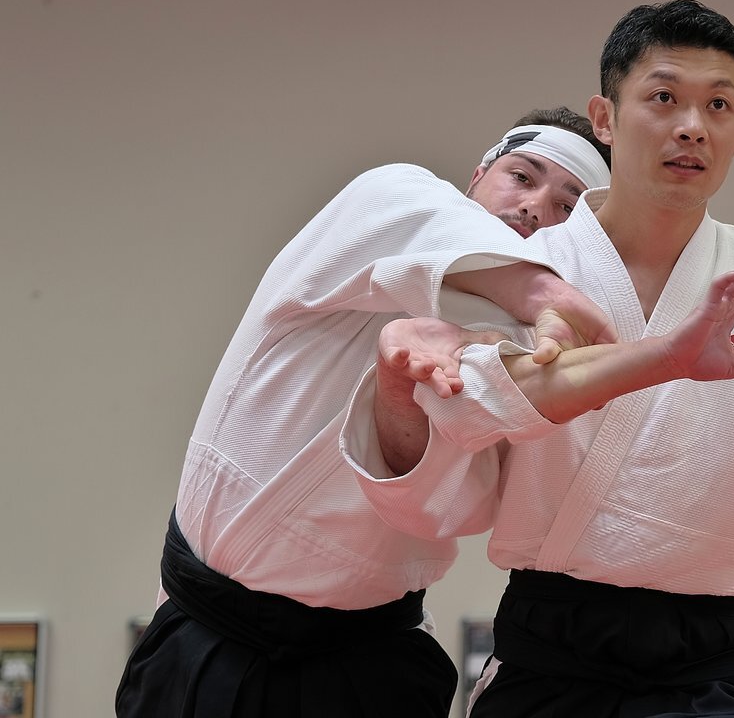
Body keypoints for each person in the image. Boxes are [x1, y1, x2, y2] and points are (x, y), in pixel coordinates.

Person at [345, 0, 734, 718]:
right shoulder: (527, 272)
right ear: (604, 119)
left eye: (719, 105)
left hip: (714, 660)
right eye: (663, 97)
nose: (692, 125)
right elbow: (452, 451)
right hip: (552, 652)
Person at [115, 108, 615, 718]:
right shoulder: (387, 203)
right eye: (522, 176)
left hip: (371, 655)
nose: (537, 206)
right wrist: (545, 292)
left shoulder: (527, 352)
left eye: (568, 205)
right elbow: (412, 205)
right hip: (212, 635)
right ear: (477, 175)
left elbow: (463, 507)